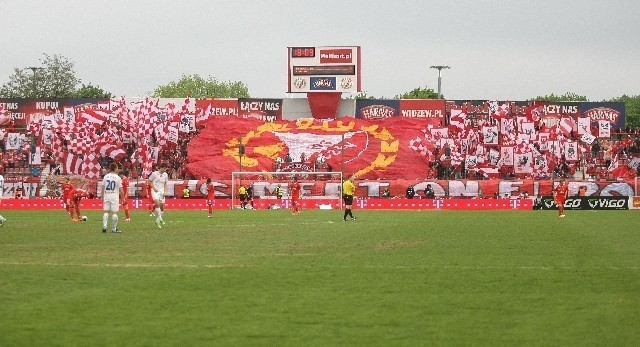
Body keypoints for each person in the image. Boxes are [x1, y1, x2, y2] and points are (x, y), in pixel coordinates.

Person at [101, 163, 123, 233]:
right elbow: (120, 189)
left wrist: (102, 196)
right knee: (114, 213)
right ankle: (114, 228)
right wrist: (123, 197)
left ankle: (104, 226)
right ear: (115, 169)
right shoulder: (118, 178)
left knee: (106, 211)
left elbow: (103, 187)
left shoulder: (106, 176)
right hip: (114, 196)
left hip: (107, 195)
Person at [149, 163, 169, 228]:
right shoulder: (154, 174)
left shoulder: (165, 175)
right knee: (157, 203)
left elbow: (165, 183)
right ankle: (160, 218)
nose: (165, 169)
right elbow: (149, 181)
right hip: (155, 191)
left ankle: (158, 221)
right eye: (165, 168)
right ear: (161, 167)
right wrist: (154, 188)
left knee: (162, 206)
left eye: (166, 168)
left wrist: (165, 191)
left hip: (161, 191)